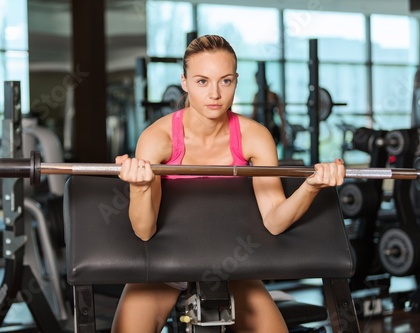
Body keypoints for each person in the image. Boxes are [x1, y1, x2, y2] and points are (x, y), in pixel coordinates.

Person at [113, 34, 345, 333]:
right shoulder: (158, 138)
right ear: (184, 82)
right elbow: (144, 231)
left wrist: (311, 186)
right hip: (164, 264)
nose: (215, 94)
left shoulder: (254, 135)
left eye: (225, 81)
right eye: (202, 81)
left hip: (232, 263)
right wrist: (140, 187)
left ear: (236, 80)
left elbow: (274, 221)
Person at [252, 72, 289, 152]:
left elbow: (281, 116)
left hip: (272, 130)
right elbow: (253, 116)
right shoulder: (257, 96)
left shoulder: (273, 95)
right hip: (260, 130)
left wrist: (284, 135)